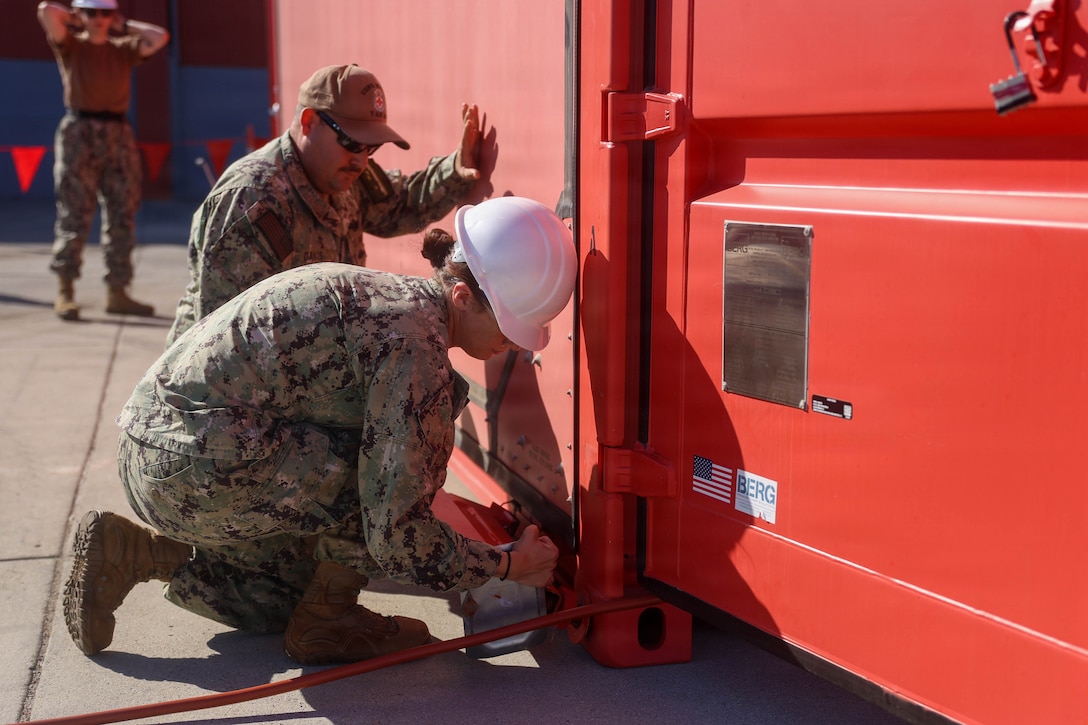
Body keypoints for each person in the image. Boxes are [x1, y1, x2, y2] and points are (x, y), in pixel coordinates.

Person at [63, 196, 579, 665]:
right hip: (194, 467)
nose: (517, 346)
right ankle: (330, 623)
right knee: (383, 478)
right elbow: (396, 535)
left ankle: (135, 551)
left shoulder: (394, 300)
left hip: (161, 454)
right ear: (463, 296)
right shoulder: (414, 348)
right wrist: (505, 567)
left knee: (281, 597)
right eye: (510, 330)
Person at [165, 63, 485, 347]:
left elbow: (401, 204)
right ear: (308, 122)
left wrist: (455, 170)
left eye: (370, 147)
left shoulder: (344, 176)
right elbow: (228, 342)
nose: (361, 160)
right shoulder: (251, 201)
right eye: (351, 142)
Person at [37, 0, 170, 321]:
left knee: (122, 212)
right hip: (79, 130)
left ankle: (118, 291)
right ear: (81, 14)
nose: (98, 19)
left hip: (117, 132)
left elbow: (160, 36)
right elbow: (45, 11)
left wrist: (122, 26)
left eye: (105, 13)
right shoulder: (70, 46)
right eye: (91, 12)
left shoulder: (123, 48)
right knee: (74, 211)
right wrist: (76, 19)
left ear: (114, 16)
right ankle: (65, 290)